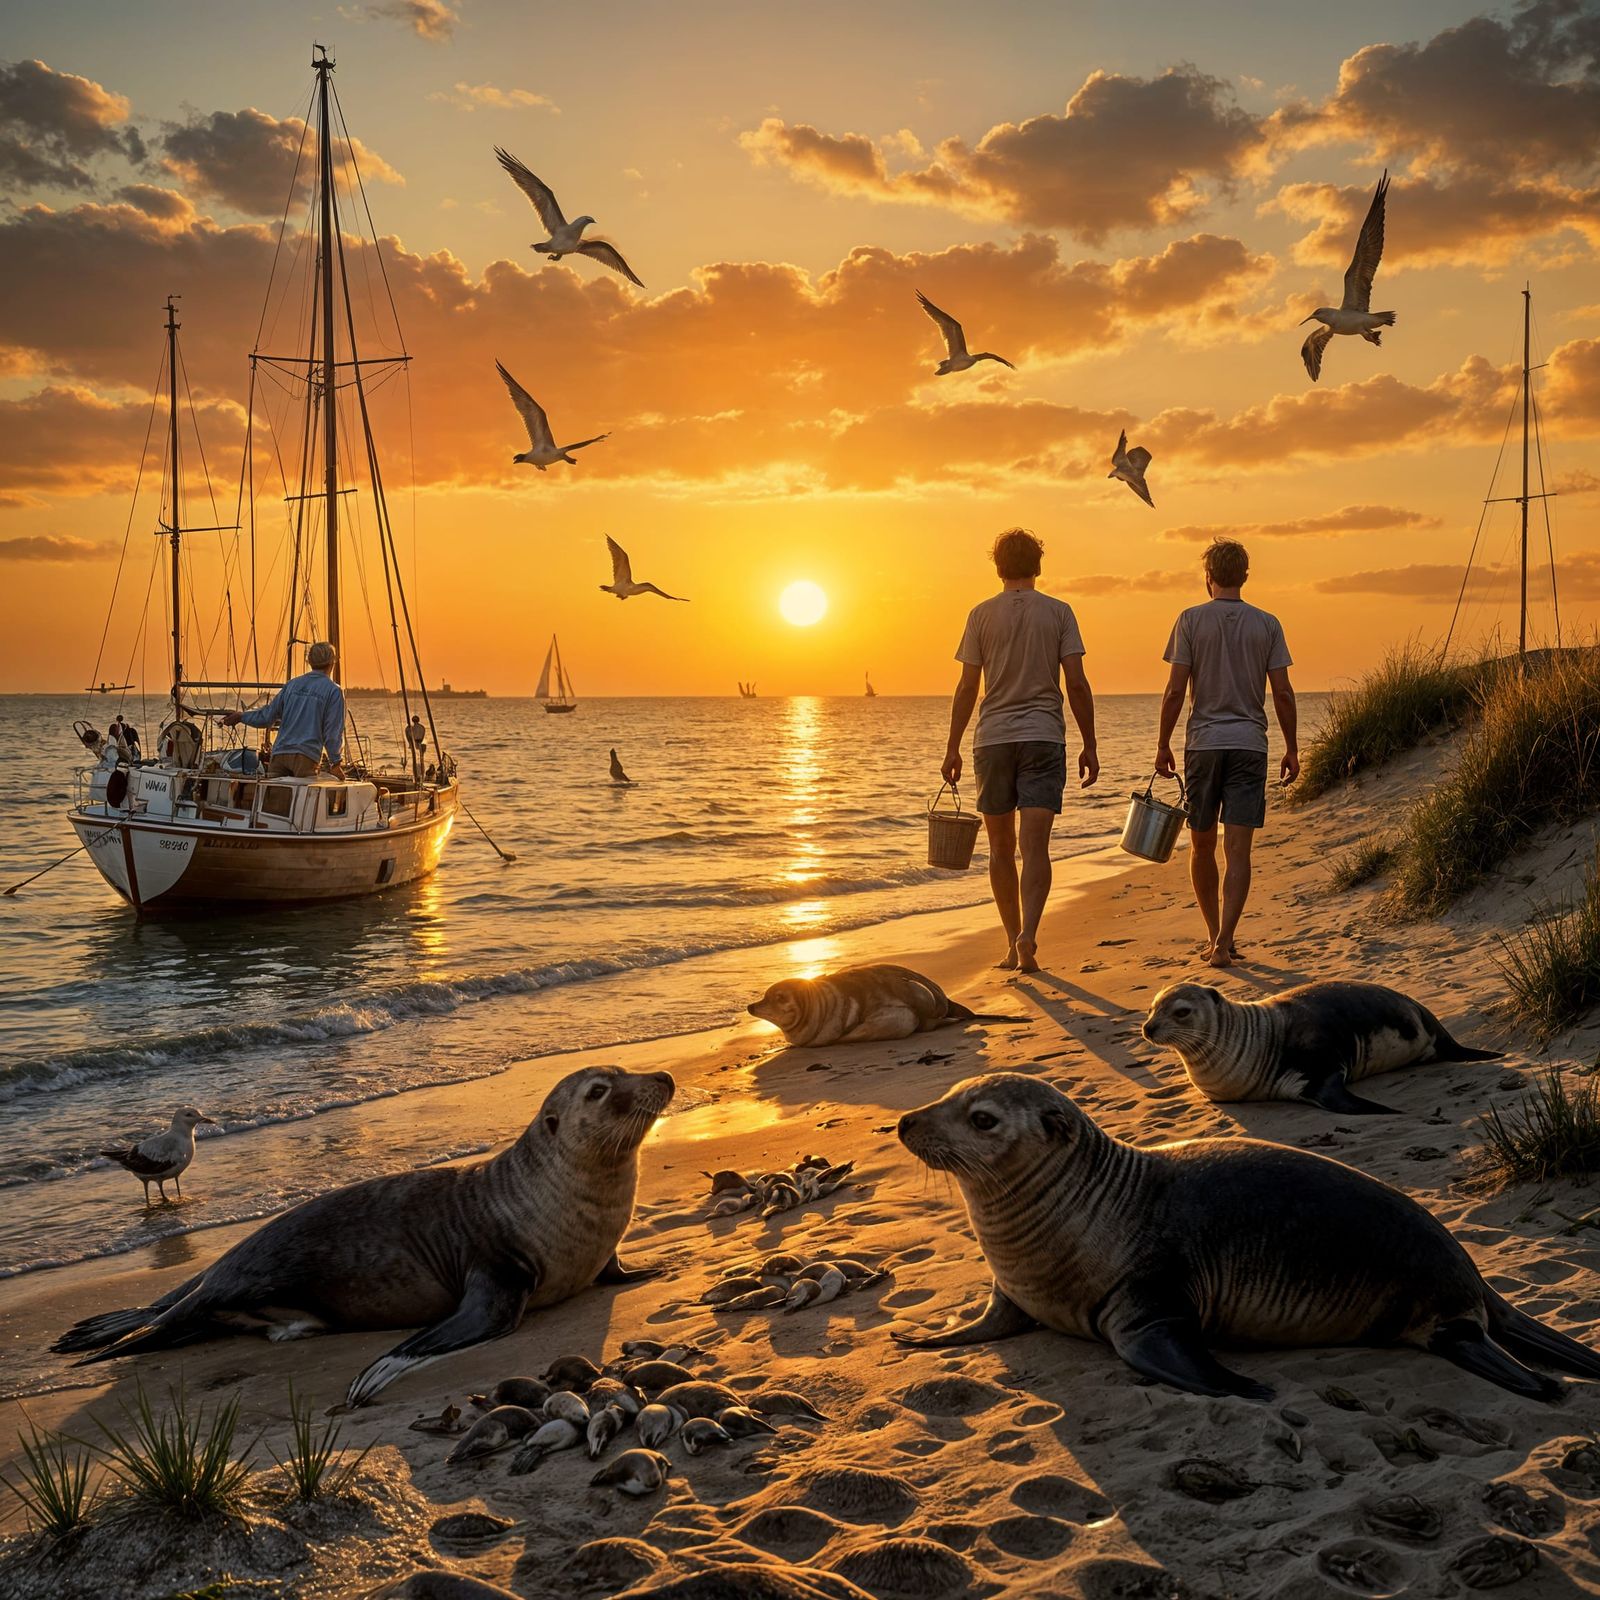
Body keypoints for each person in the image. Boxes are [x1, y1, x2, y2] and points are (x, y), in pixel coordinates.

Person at [942, 528, 1098, 974]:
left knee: (999, 848)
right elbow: (1077, 683)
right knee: (1036, 847)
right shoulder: (1059, 612)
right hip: (1044, 736)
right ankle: (1029, 933)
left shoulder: (980, 615)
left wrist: (952, 747)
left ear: (998, 567)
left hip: (992, 739)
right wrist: (1089, 742)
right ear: (1038, 566)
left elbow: (968, 686)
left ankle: (1013, 944)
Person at [1154, 538, 1298, 970]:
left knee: (1201, 847)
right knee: (1239, 851)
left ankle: (1212, 933)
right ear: (1246, 576)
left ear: (1208, 578)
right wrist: (1292, 747)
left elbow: (1176, 689)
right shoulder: (1267, 624)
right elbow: (1284, 693)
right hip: (1250, 744)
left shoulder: (1190, 620)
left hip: (1203, 745)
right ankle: (1225, 941)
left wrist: (1162, 743)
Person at [222, 641, 346, 779]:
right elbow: (332, 732)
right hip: (305, 756)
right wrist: (335, 763)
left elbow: (267, 716)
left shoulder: (292, 685)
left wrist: (241, 716)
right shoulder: (333, 691)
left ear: (309, 661)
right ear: (332, 662)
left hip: (280, 753)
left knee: (275, 797)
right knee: (304, 798)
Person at [405, 714, 427, 778]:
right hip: (420, 743)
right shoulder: (422, 727)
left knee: (415, 760)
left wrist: (411, 743)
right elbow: (422, 736)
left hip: (414, 744)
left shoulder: (409, 728)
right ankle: (421, 774)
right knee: (421, 759)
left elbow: (408, 736)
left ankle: (418, 775)